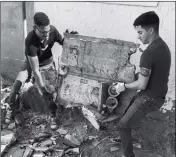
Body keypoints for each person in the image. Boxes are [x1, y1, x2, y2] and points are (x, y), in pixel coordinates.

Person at [115, 11, 171, 157]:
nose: (138, 36)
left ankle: (128, 154)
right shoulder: (164, 47)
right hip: (159, 95)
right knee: (126, 109)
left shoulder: (149, 53)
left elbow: (141, 85)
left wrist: (123, 86)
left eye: (140, 32)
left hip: (149, 98)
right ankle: (125, 137)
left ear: (151, 30)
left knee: (122, 125)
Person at [5, 12, 66, 126]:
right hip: (32, 64)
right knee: (15, 88)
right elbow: (36, 70)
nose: (47, 35)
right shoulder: (30, 41)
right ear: (35, 28)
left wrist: (71, 38)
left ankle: (53, 116)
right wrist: (42, 89)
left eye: (48, 32)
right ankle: (12, 110)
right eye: (43, 32)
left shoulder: (52, 31)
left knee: (51, 92)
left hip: (48, 65)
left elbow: (63, 42)